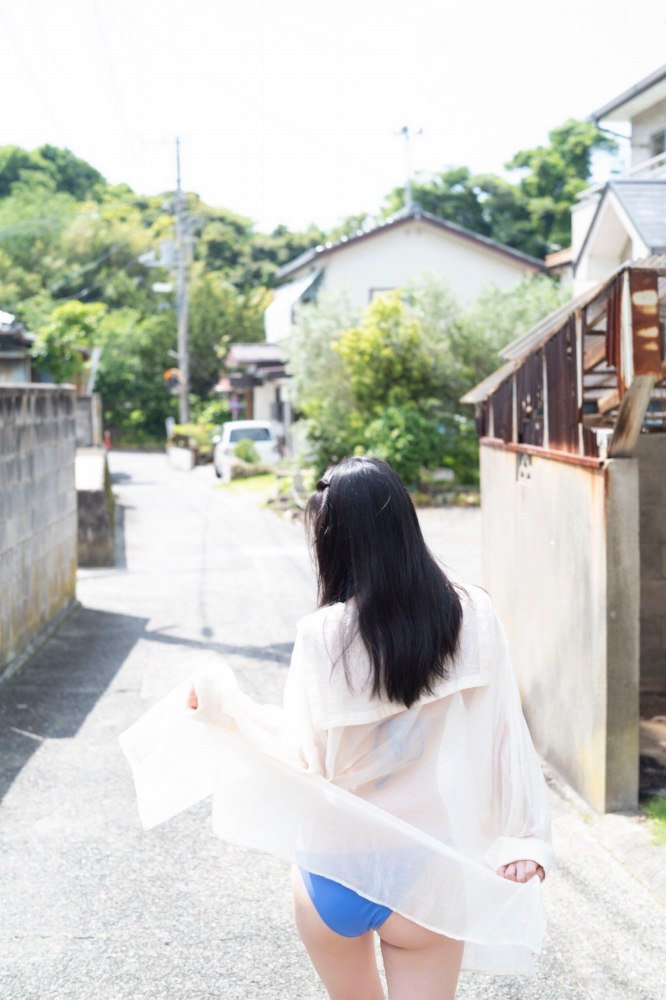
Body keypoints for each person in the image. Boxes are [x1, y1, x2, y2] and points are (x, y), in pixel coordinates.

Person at [120, 456, 554, 1000]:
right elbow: (504, 732)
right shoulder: (473, 614)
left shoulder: (322, 635)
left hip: (333, 869)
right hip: (428, 865)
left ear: (333, 543)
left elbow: (303, 761)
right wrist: (525, 839)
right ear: (404, 527)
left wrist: (225, 711)